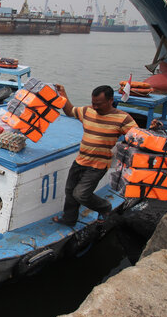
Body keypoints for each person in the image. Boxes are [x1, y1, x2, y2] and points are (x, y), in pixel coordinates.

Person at [53, 84, 137, 226]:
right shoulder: (87, 111)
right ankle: (69, 219)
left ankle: (105, 207)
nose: (95, 107)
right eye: (93, 103)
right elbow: (70, 111)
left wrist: (154, 129)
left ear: (110, 100)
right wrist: (63, 93)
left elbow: (138, 136)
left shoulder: (123, 118)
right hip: (81, 160)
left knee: (80, 194)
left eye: (99, 104)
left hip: (98, 165)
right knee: (69, 191)